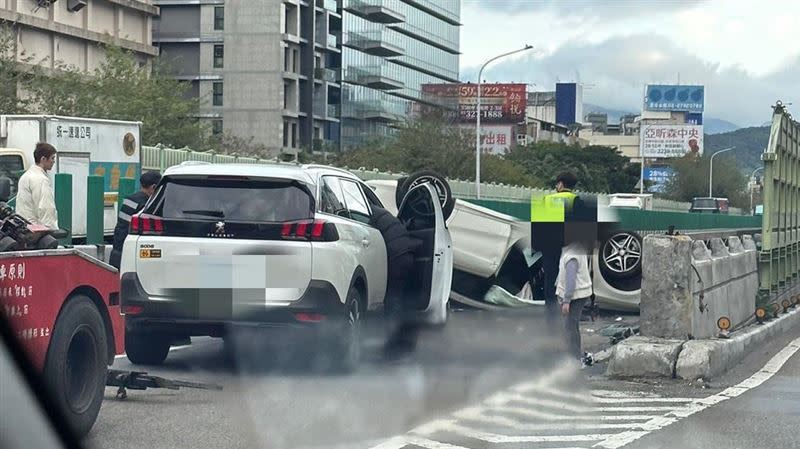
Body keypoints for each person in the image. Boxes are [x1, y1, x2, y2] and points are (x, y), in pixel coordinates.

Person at [369, 205, 422, 360]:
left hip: (396, 257)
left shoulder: (364, 210)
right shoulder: (379, 212)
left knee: (393, 301)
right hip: (406, 253)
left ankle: (393, 347)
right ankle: (405, 342)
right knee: (402, 301)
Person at [532, 172, 579, 330]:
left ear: (560, 184)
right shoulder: (577, 201)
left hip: (550, 248)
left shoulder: (547, 199)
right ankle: (568, 317)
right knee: (569, 281)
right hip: (569, 248)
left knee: (550, 283)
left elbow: (538, 227)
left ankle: (550, 321)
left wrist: (537, 247)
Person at [109, 171, 162, 269]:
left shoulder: (130, 199)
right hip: (132, 254)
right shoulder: (147, 206)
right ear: (153, 187)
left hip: (118, 249)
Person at [556, 232, 593, 366]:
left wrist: (566, 300)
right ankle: (573, 356)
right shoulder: (576, 249)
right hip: (579, 294)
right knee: (571, 326)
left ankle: (574, 358)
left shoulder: (572, 255)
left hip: (575, 296)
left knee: (570, 326)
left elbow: (570, 281)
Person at [16, 142, 58, 229]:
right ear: (43, 159)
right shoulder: (41, 179)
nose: (54, 161)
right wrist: (51, 230)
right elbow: (46, 208)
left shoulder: (26, 176)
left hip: (23, 228)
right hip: (37, 231)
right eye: (52, 158)